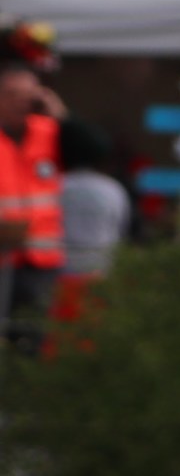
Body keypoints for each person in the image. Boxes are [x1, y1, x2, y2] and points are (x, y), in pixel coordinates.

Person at [0, 62, 64, 351]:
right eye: (12, 94)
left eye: (28, 94)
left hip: (40, 259)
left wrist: (60, 115)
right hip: (3, 256)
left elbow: (94, 148)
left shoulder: (50, 131)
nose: (20, 101)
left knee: (32, 337)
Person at [55, 118, 127, 325]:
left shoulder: (58, 186)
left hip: (60, 273)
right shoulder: (113, 189)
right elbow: (120, 229)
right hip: (100, 272)